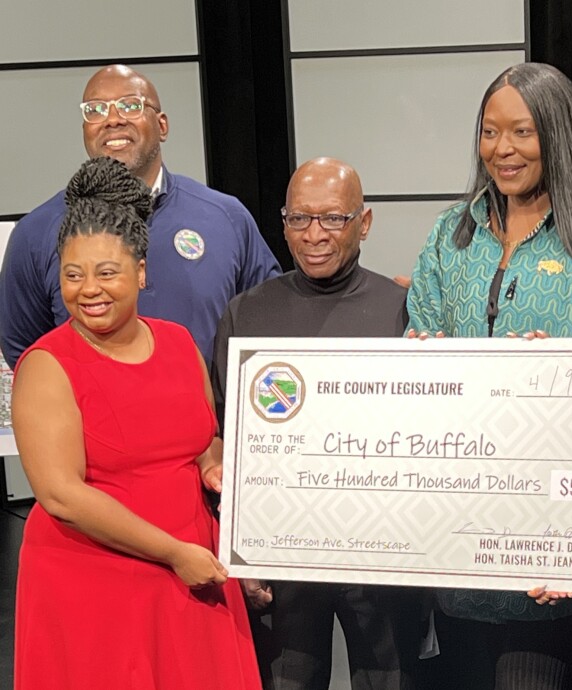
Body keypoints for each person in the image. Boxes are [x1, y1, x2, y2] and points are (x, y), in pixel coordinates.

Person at [406, 62, 572, 689]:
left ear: (560, 134)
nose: (503, 150)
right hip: (462, 545)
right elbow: (418, 333)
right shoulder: (454, 232)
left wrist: (569, 375)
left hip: (564, 546)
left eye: (523, 132)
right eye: (490, 132)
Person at [12, 157, 260, 689]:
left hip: (192, 564)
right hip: (94, 579)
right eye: (73, 274)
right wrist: (173, 553)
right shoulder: (46, 365)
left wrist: (219, 472)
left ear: (142, 273)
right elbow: (61, 496)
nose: (89, 289)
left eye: (107, 272)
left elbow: (201, 443)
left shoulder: (177, 342)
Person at [212, 157, 421, 690]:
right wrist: (239, 550)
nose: (314, 235)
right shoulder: (246, 313)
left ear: (365, 222)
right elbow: (224, 438)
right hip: (283, 560)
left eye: (333, 218)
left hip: (383, 557)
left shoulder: (404, 309)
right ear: (282, 224)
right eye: (299, 219)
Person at [0, 64, 280, 370]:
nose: (112, 119)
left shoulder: (226, 217)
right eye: (95, 110)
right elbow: (25, 350)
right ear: (84, 130)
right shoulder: (36, 233)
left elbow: (269, 321)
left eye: (131, 105)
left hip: (204, 414)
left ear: (162, 126)